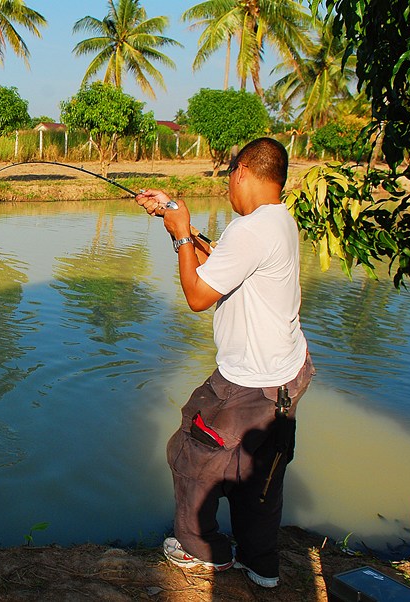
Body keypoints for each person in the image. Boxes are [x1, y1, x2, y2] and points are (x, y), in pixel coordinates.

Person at [135, 137, 315, 589]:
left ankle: (202, 551)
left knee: (189, 452)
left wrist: (180, 235)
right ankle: (262, 566)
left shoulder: (250, 229)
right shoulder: (279, 221)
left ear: (241, 173)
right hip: (287, 375)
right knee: (262, 475)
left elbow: (198, 297)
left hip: (249, 381)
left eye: (229, 180)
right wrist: (176, 217)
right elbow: (226, 264)